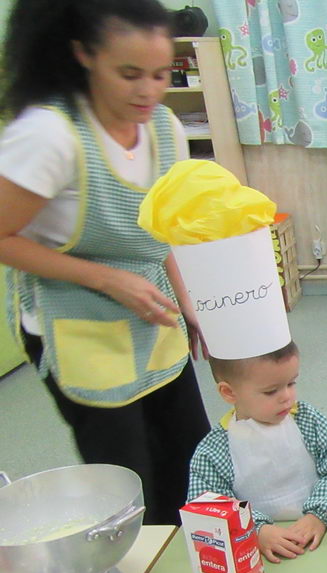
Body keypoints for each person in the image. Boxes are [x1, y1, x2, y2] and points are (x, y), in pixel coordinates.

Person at [0, 0, 210, 525]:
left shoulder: (166, 129)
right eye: (129, 74)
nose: (148, 91)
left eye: (161, 74)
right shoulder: (49, 135)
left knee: (192, 458)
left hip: (152, 317)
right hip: (78, 327)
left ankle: (203, 566)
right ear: (84, 55)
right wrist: (105, 277)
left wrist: (190, 306)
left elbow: (161, 232)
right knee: (127, 477)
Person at [188, 342, 327, 563]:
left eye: (291, 383)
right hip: (255, 557)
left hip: (322, 537)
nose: (287, 396)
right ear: (229, 392)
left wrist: (319, 515)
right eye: (271, 391)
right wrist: (256, 530)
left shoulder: (308, 420)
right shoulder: (213, 451)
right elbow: (206, 505)